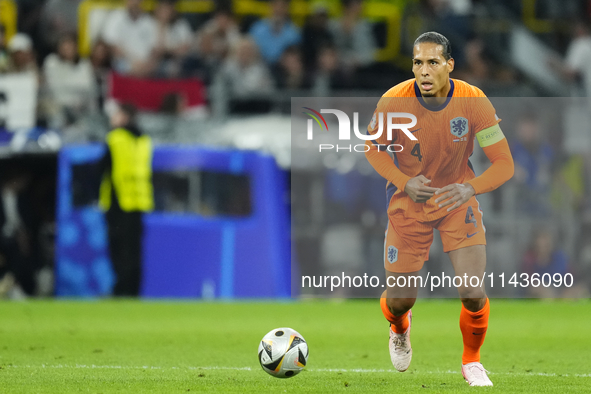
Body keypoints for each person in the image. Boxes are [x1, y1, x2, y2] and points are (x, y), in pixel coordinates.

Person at [365, 32, 514, 386]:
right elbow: (372, 148)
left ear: (449, 65)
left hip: (455, 202)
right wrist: (404, 182)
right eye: (418, 62)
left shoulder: (473, 101)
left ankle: (472, 362)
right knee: (400, 301)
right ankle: (399, 327)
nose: (424, 71)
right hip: (408, 204)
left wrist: (469, 189)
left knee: (472, 291)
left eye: (433, 62)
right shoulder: (394, 101)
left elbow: (504, 164)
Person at [99, 103, 154, 296]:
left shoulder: (116, 137)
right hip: (139, 201)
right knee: (135, 250)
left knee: (118, 248)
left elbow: (103, 168)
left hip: (118, 202)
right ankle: (134, 290)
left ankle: (120, 289)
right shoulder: (144, 140)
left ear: (124, 117)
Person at [101, 0, 158, 77]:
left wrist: (148, 64)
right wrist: (133, 62)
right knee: (121, 65)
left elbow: (155, 49)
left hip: (146, 65)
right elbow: (112, 46)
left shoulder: (150, 22)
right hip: (122, 63)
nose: (134, 2)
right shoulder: (115, 18)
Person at [248, 0, 301, 65]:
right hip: (260, 68)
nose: (278, 9)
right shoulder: (256, 29)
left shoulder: (294, 33)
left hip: (283, 70)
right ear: (270, 6)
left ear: (287, 8)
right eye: (275, 5)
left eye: (282, 6)